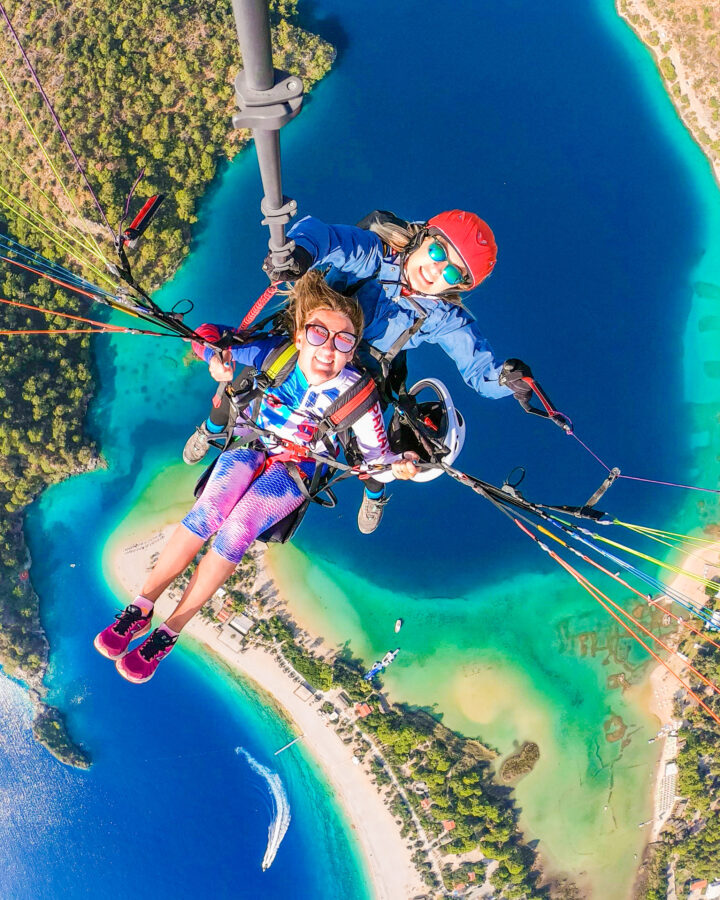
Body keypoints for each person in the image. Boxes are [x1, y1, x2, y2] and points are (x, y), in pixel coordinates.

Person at [94, 273, 418, 683]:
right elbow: (214, 336)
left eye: (343, 341)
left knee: (238, 528)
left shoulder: (357, 394)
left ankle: (170, 630)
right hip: (254, 440)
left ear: (352, 350)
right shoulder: (276, 354)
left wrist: (399, 466)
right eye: (319, 334)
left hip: (299, 465)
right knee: (208, 512)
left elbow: (376, 458)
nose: (328, 349)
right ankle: (141, 606)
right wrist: (213, 355)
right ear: (301, 336)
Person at [183, 209, 539, 534]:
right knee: (243, 391)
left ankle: (375, 492)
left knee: (367, 453)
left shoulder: (443, 317)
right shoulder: (376, 256)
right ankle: (211, 430)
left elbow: (479, 370)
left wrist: (506, 381)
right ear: (423, 237)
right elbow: (326, 237)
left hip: (361, 375)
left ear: (456, 286)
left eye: (449, 271)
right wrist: (303, 253)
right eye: (437, 252)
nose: (434, 270)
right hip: (315, 343)